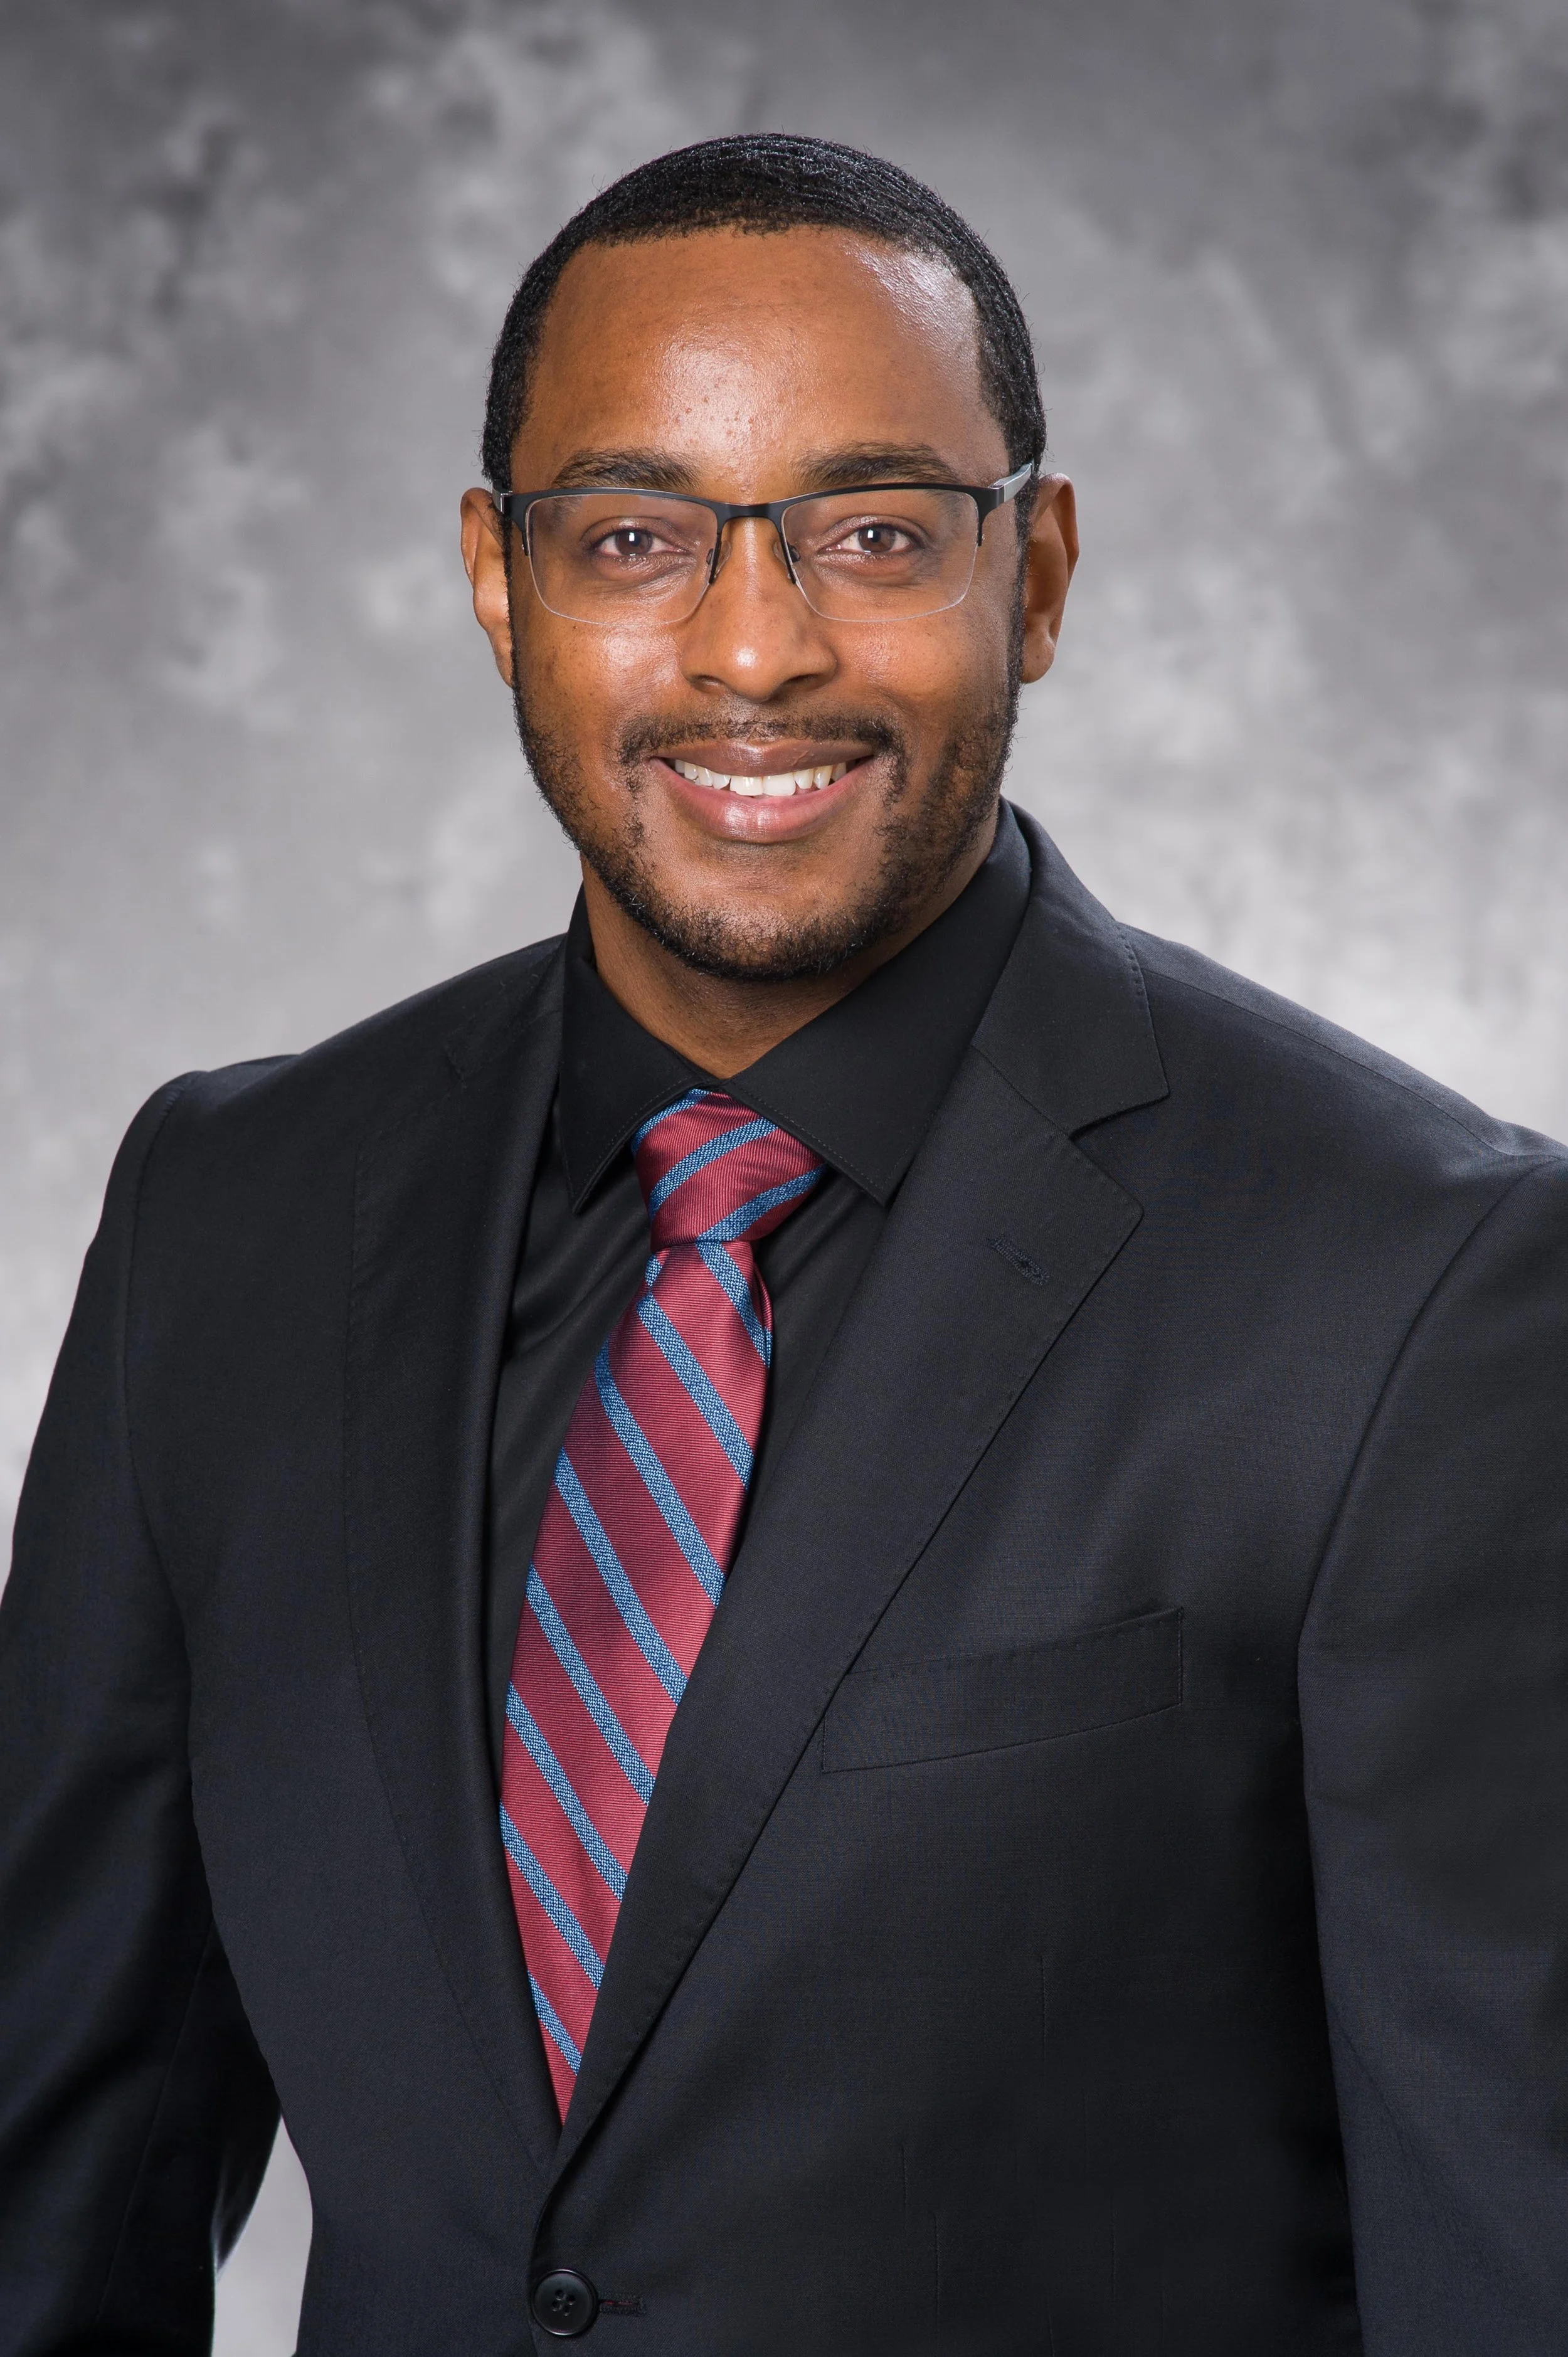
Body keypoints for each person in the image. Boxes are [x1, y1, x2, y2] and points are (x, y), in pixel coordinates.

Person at [0, 130, 1563, 2357]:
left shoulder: (1422, 1287)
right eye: (634, 535)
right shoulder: (223, 1223)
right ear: (496, 579)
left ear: (1036, 575)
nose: (754, 647)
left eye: (874, 533)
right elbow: (57, 2183)